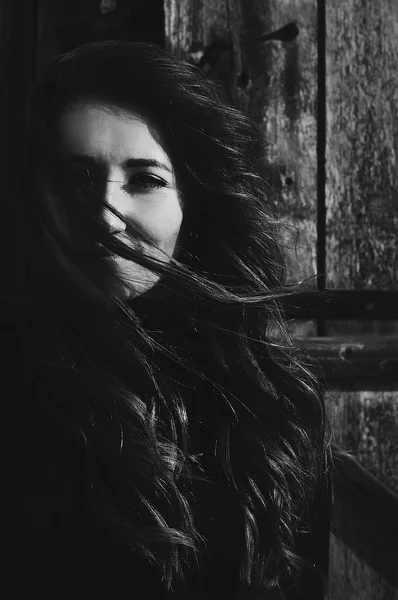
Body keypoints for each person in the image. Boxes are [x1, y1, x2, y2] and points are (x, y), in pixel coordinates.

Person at [6, 41, 332, 599]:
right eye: (76, 178)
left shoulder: (271, 403)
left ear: (191, 207)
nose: (106, 216)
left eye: (145, 180)